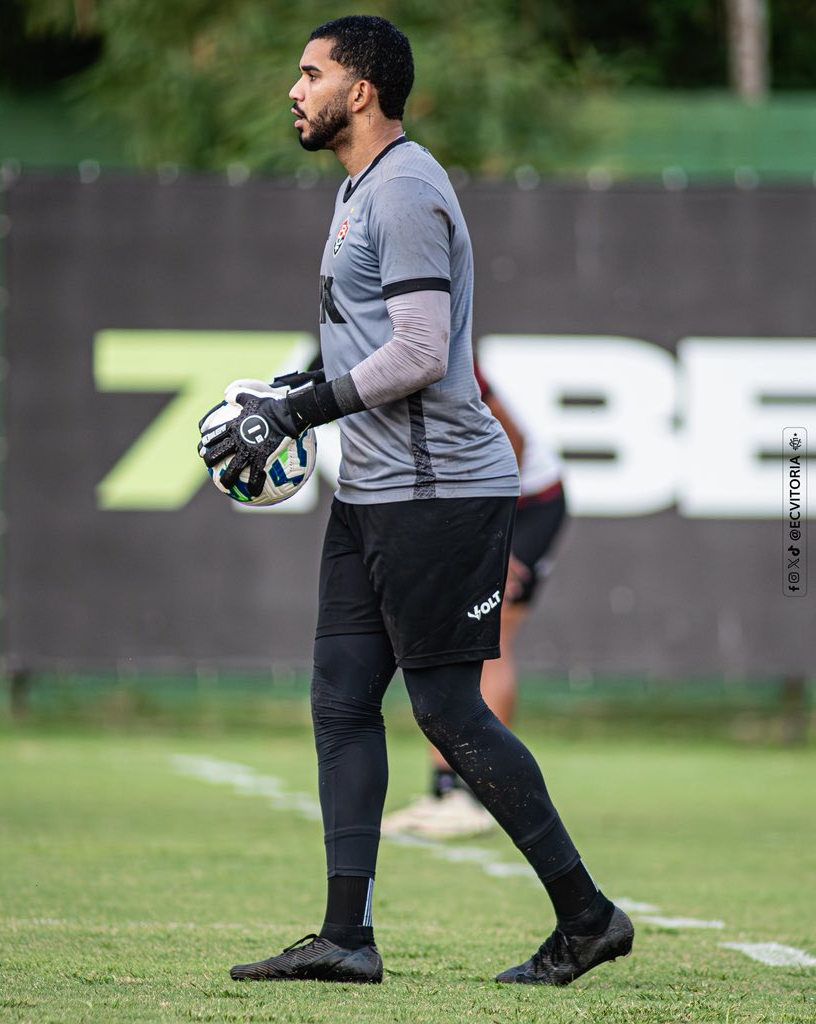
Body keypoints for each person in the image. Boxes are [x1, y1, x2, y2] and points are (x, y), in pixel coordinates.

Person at [197, 14, 633, 986]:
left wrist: (299, 411)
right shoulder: (359, 188)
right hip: (373, 490)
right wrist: (293, 392)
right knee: (341, 699)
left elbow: (424, 353)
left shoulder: (403, 189)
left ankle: (587, 917)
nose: (293, 90)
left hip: (439, 492)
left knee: (447, 710)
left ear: (361, 91)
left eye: (310, 74)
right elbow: (366, 341)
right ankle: (345, 937)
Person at [381, 362, 568, 839]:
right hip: (463, 506)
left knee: (492, 636)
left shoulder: (432, 352)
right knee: (443, 639)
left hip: (522, 504)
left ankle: (480, 791)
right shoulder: (358, 358)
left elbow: (514, 441)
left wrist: (496, 535)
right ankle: (445, 791)